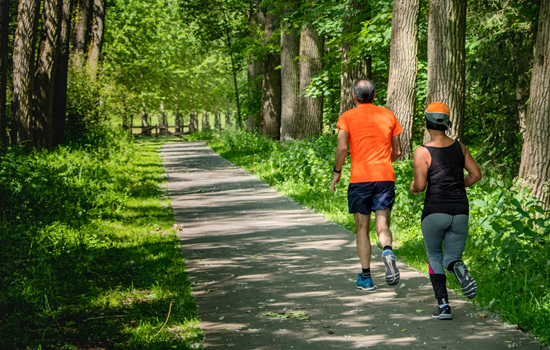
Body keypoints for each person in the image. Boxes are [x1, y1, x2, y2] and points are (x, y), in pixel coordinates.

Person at [410, 101, 482, 320]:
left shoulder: (422, 151)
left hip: (435, 211)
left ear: (426, 123)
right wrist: (457, 184)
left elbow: (420, 186)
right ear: (447, 122)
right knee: (450, 258)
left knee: (434, 257)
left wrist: (412, 187)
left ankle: (443, 306)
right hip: (460, 211)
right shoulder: (460, 147)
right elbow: (476, 175)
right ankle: (456, 265)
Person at [331, 79, 403, 291]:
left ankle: (366, 277)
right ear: (374, 96)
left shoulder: (347, 117)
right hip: (384, 178)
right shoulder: (388, 115)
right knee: (383, 223)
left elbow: (342, 148)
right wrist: (384, 164)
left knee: (362, 228)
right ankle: (387, 250)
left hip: (360, 179)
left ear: (354, 96)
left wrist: (337, 172)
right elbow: (397, 152)